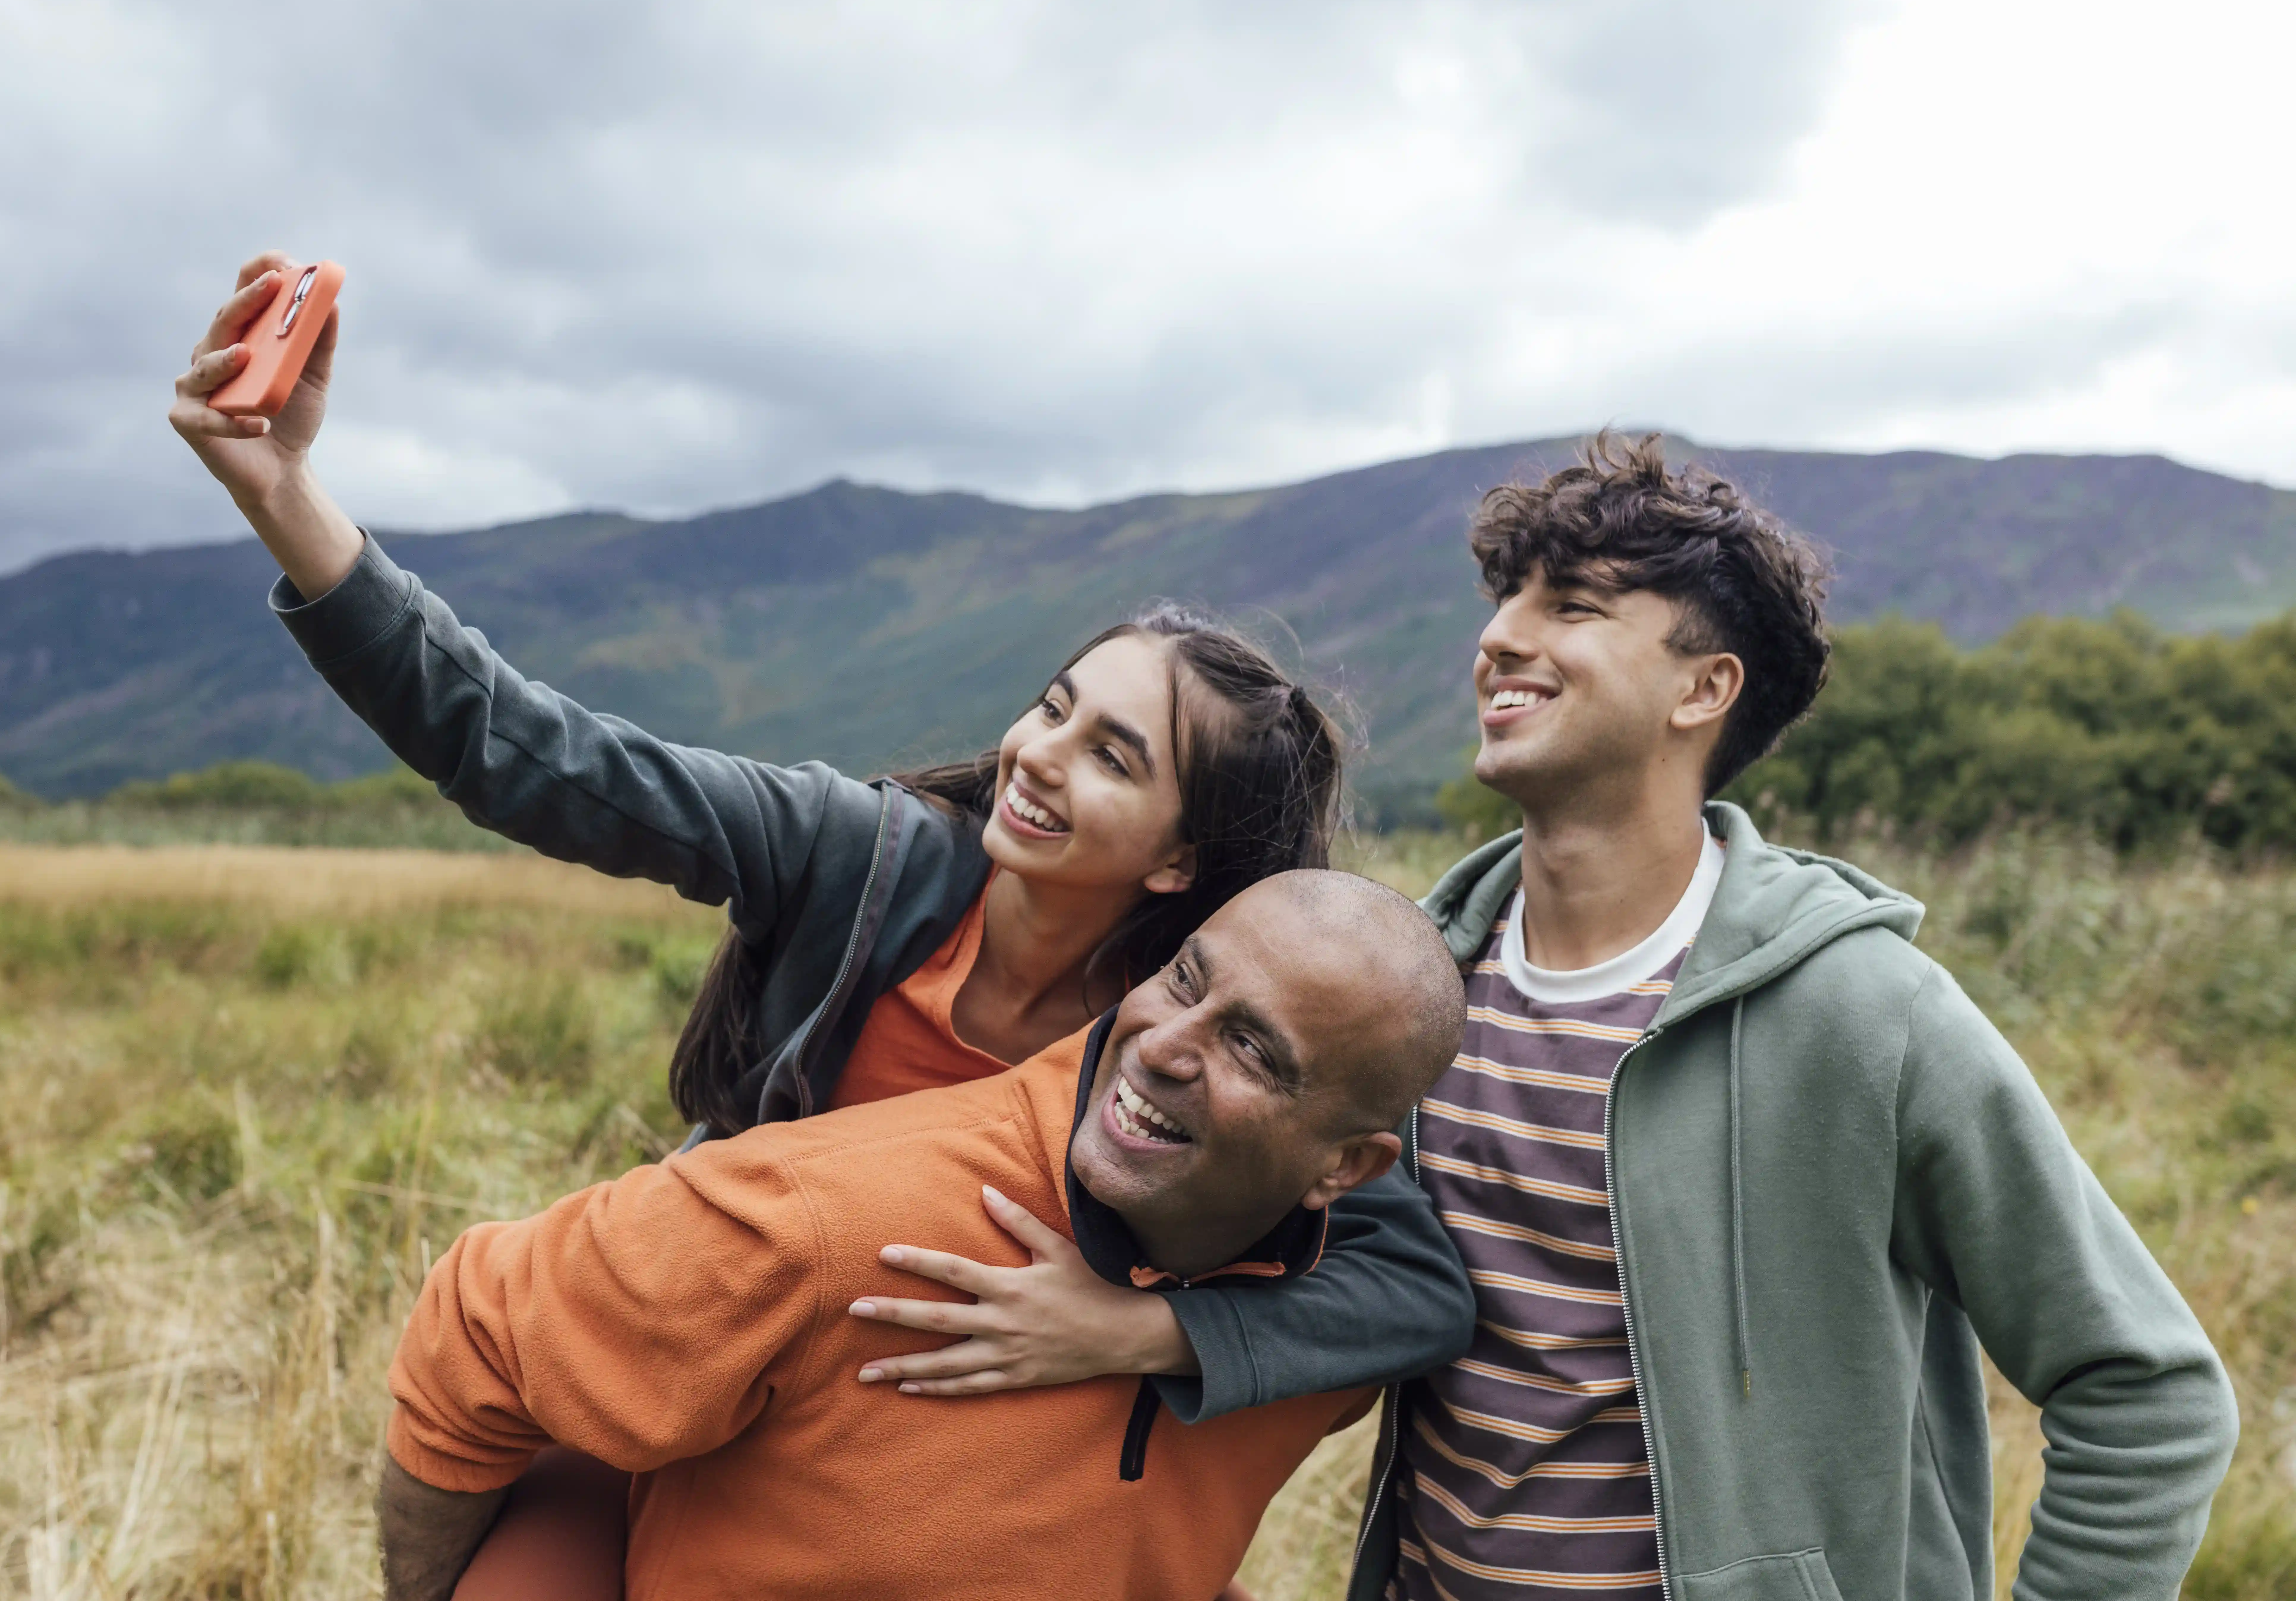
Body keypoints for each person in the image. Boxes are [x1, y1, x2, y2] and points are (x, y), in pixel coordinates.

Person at [167, 253, 1471, 1579]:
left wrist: (1143, 1334)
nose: (1036, 753)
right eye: (1056, 705)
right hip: (693, 1330)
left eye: (1112, 758)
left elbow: (1409, 1278)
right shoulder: (867, 858)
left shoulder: (1189, 1026)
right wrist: (283, 493)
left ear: (1182, 862)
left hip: (873, 1439)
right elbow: (532, 756)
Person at [1349, 434, 2239, 1600]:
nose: (1500, 636)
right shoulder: (1413, 990)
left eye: (1569, 606)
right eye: (1504, 599)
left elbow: (2147, 1389)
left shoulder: (1861, 1008)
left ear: (1701, 687)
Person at [377, 869, 1470, 1601]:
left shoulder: (1322, 1326)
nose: (1161, 1047)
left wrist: (1161, 1336)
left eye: (1253, 1051)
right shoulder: (824, 1220)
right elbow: (476, 1325)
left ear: (1345, 1168)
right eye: (1183, 979)